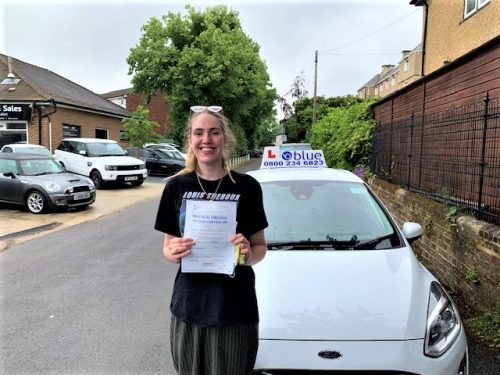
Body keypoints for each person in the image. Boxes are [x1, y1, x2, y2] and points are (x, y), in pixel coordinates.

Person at [154, 105, 268, 375]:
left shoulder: (248, 188)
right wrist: (175, 251)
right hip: (190, 307)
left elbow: (261, 247)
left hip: (235, 308)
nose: (206, 140)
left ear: (225, 139)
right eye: (199, 133)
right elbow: (167, 250)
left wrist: (248, 254)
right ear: (190, 141)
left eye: (214, 132)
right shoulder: (175, 187)